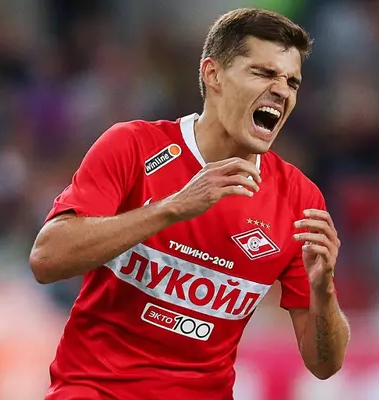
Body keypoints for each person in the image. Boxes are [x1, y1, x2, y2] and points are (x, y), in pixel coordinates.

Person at [29, 8, 350, 400]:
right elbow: (46, 259)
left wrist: (323, 290)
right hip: (96, 390)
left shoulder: (299, 200)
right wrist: (173, 207)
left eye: (292, 81)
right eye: (264, 73)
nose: (281, 90)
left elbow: (324, 365)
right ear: (213, 74)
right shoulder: (132, 146)